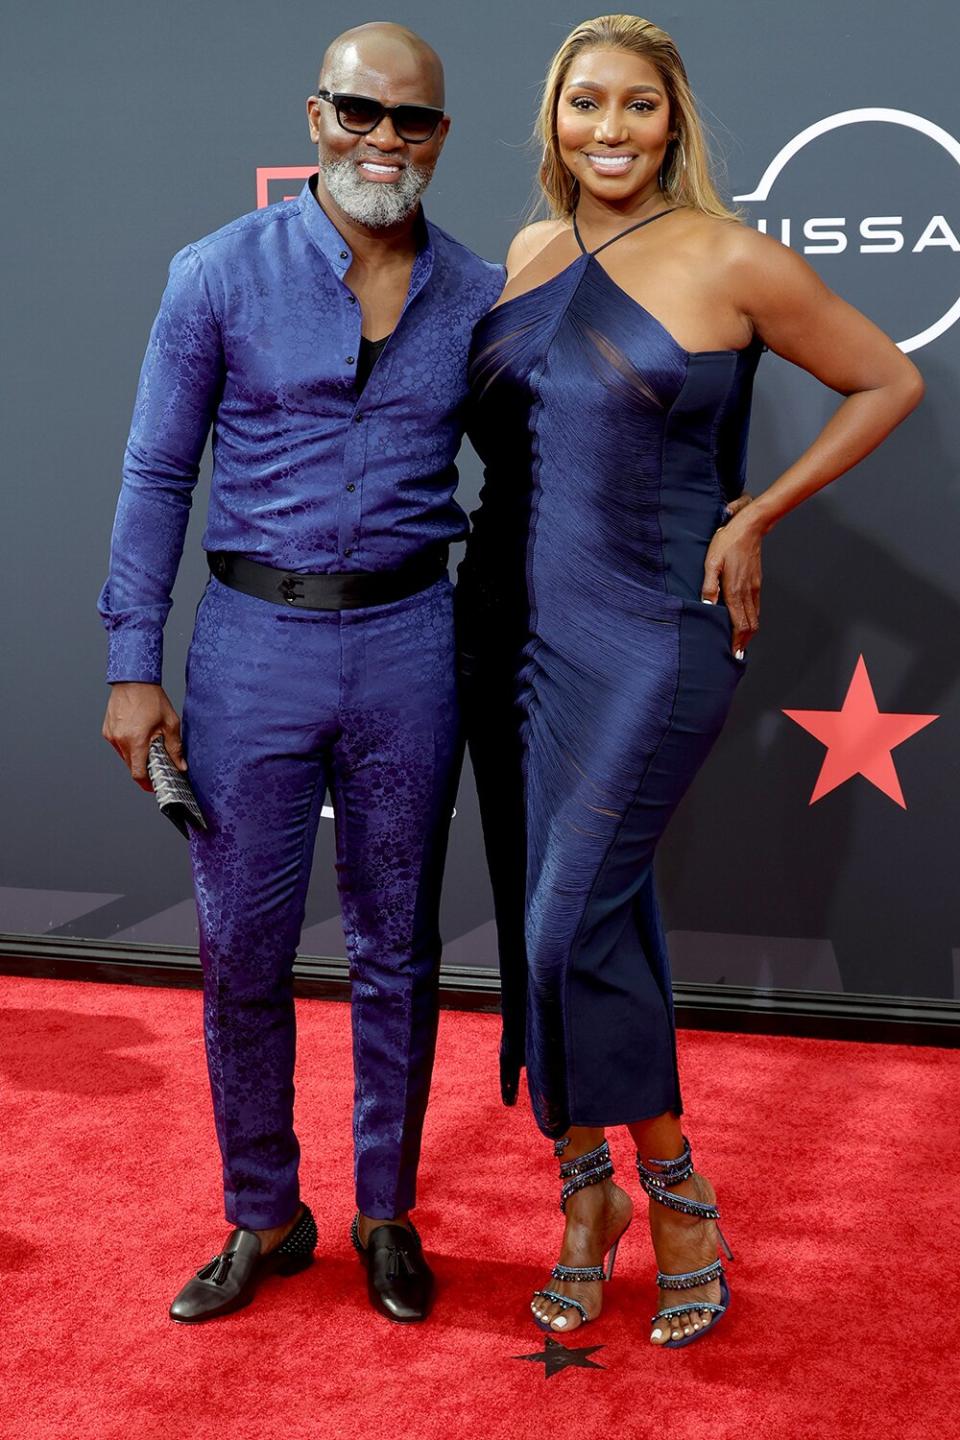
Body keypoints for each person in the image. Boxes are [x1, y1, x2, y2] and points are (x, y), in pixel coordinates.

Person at [456, 13, 923, 1347]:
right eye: (584, 105)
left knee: (559, 929)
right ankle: (586, 1192)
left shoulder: (732, 254)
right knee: (601, 931)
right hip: (521, 647)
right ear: (553, 118)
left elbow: (884, 379)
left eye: (638, 108)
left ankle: (674, 1197)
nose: (609, 131)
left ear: (676, 122)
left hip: (654, 640)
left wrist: (754, 512)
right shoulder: (531, 255)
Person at [99, 22, 503, 1325]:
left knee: (398, 949)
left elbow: (554, 471)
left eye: (415, 121)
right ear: (316, 117)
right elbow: (158, 474)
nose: (387, 139)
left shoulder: (478, 293)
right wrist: (130, 662)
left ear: (442, 137)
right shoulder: (216, 273)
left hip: (410, 648)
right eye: (360, 112)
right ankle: (262, 1213)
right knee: (243, 951)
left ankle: (386, 1211)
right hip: (250, 651)